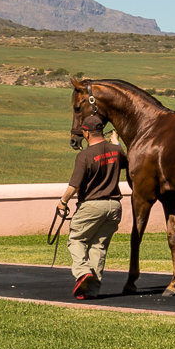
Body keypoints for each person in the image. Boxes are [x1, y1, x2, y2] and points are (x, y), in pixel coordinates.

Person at [57, 113, 126, 299]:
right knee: (98, 247)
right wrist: (116, 143)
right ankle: (91, 291)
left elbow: (74, 185)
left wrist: (63, 202)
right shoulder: (116, 150)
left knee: (76, 239)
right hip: (114, 207)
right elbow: (125, 163)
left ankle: (82, 272)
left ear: (86, 133)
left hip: (92, 205)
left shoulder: (84, 156)